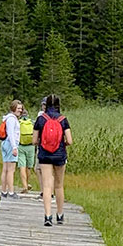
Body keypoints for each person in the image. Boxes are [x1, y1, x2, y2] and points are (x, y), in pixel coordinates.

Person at [33, 94, 72, 226]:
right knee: (59, 185)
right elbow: (70, 141)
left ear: (46, 104)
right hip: (60, 155)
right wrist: (62, 144)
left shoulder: (40, 119)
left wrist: (43, 143)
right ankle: (60, 215)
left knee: (47, 185)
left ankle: (47, 216)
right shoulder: (63, 119)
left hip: (44, 155)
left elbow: (34, 141)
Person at [18, 97, 43, 197]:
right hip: (31, 146)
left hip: (20, 146)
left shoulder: (18, 122)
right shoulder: (32, 122)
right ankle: (27, 183)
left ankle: (24, 186)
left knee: (22, 166)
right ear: (27, 115)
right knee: (29, 167)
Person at [0, 100, 23, 198]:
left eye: (21, 109)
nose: (20, 111)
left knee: (5, 169)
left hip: (6, 144)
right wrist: (14, 147)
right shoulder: (12, 119)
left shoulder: (8, 118)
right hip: (10, 144)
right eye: (18, 108)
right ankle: (11, 192)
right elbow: (11, 134)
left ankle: (4, 191)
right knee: (11, 169)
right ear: (13, 108)